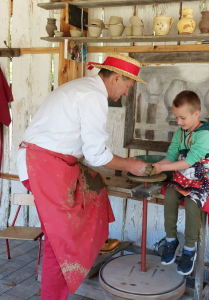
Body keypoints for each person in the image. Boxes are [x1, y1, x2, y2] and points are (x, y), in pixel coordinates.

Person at [16, 53, 147, 299]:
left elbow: (87, 153)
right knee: (60, 245)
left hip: (49, 164)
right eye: (128, 86)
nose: (127, 93)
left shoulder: (82, 87)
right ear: (117, 77)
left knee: (95, 184)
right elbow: (96, 155)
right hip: (43, 166)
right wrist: (130, 165)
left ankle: (92, 244)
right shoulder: (93, 96)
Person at [152, 90, 209, 276]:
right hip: (185, 175)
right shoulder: (179, 133)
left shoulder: (204, 136)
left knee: (191, 203)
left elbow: (188, 162)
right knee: (170, 195)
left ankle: (190, 248)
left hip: (204, 177)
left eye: (182, 117)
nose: (179, 122)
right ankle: (171, 240)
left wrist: (162, 169)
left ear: (196, 113)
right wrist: (156, 165)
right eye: (176, 118)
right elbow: (172, 156)